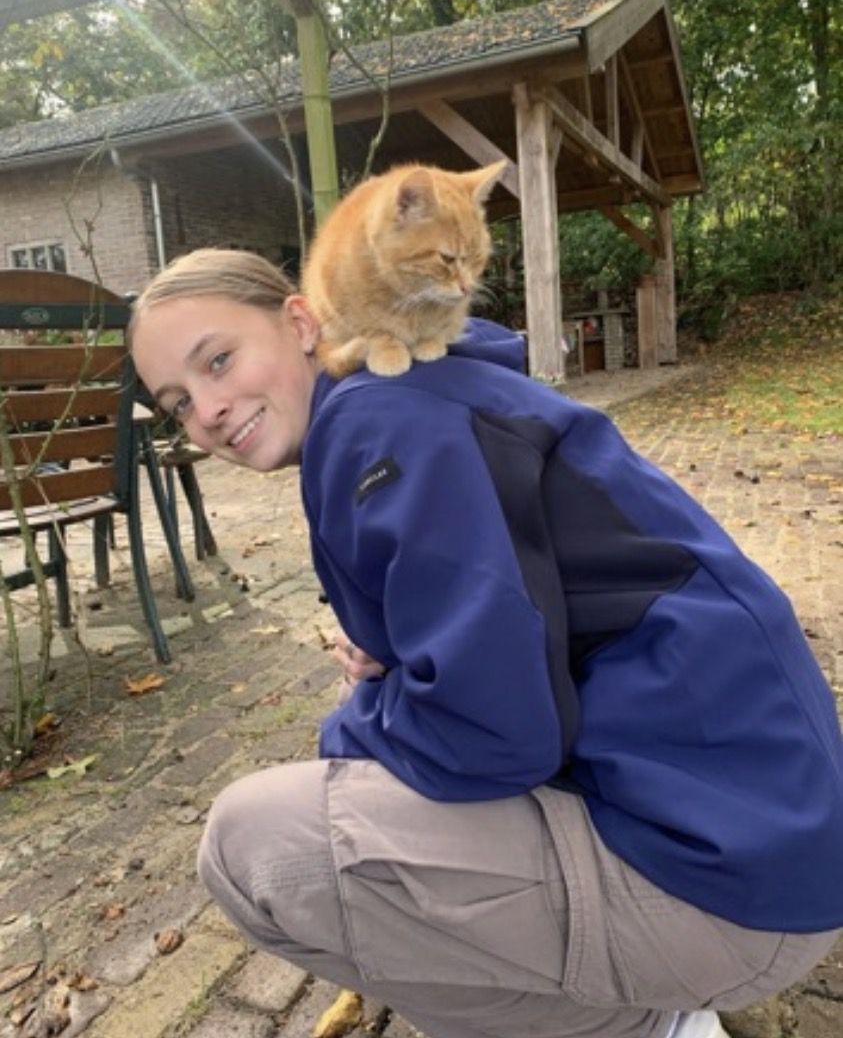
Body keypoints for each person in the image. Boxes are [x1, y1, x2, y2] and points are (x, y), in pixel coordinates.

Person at [129, 248, 843, 1038]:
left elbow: (495, 733)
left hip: (729, 885)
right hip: (770, 831)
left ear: (300, 322)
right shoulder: (409, 388)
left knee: (252, 848)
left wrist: (357, 719)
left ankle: (646, 1026)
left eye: (218, 361)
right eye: (177, 403)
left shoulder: (377, 422)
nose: (207, 411)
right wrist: (394, 673)